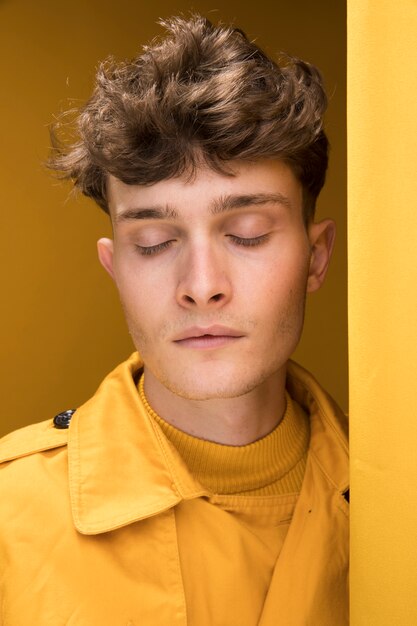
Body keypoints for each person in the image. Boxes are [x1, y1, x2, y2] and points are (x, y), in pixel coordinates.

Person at [0, 14, 348, 625]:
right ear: (116, 269)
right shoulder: (7, 518)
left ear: (315, 258)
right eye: (156, 242)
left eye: (247, 234)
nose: (202, 287)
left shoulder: (400, 502)